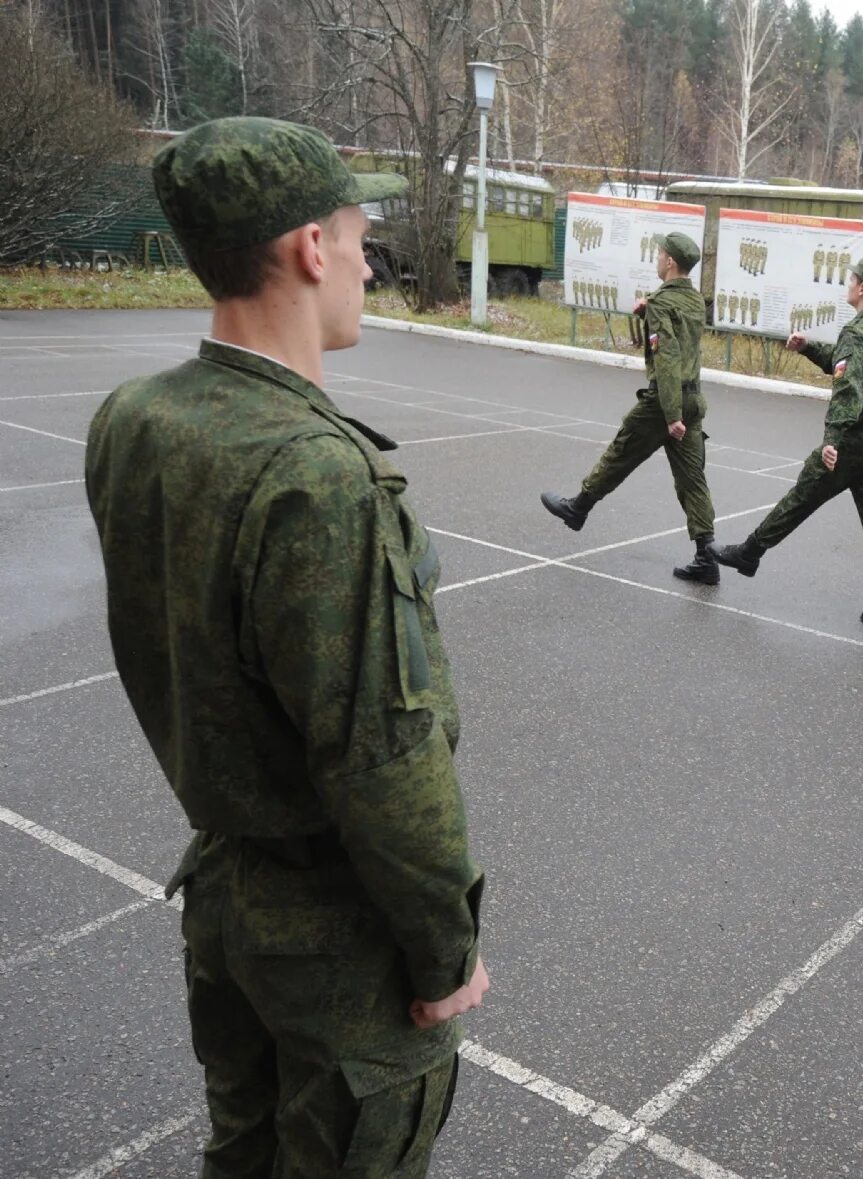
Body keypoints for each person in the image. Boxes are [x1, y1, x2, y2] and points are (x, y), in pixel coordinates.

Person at [85, 117, 488, 1175]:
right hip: (334, 945)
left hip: (225, 901)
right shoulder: (316, 476)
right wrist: (445, 951)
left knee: (243, 1155)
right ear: (311, 247)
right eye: (359, 234)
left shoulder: (136, 418)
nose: (367, 258)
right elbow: (381, 758)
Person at [714, 259, 863, 632]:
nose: (848, 285)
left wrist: (832, 439)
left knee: (801, 497)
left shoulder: (856, 332)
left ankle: (750, 553)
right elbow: (852, 370)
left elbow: (848, 388)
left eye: (852, 280)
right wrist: (809, 349)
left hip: (852, 441)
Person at [541, 231, 722, 583]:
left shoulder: (662, 303)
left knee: (620, 451)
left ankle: (578, 508)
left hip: (664, 402)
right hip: (694, 398)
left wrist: (670, 416)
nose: (656, 258)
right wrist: (647, 311)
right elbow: (682, 341)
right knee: (692, 480)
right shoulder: (694, 301)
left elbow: (667, 357)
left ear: (670, 261)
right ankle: (707, 557)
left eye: (659, 254)